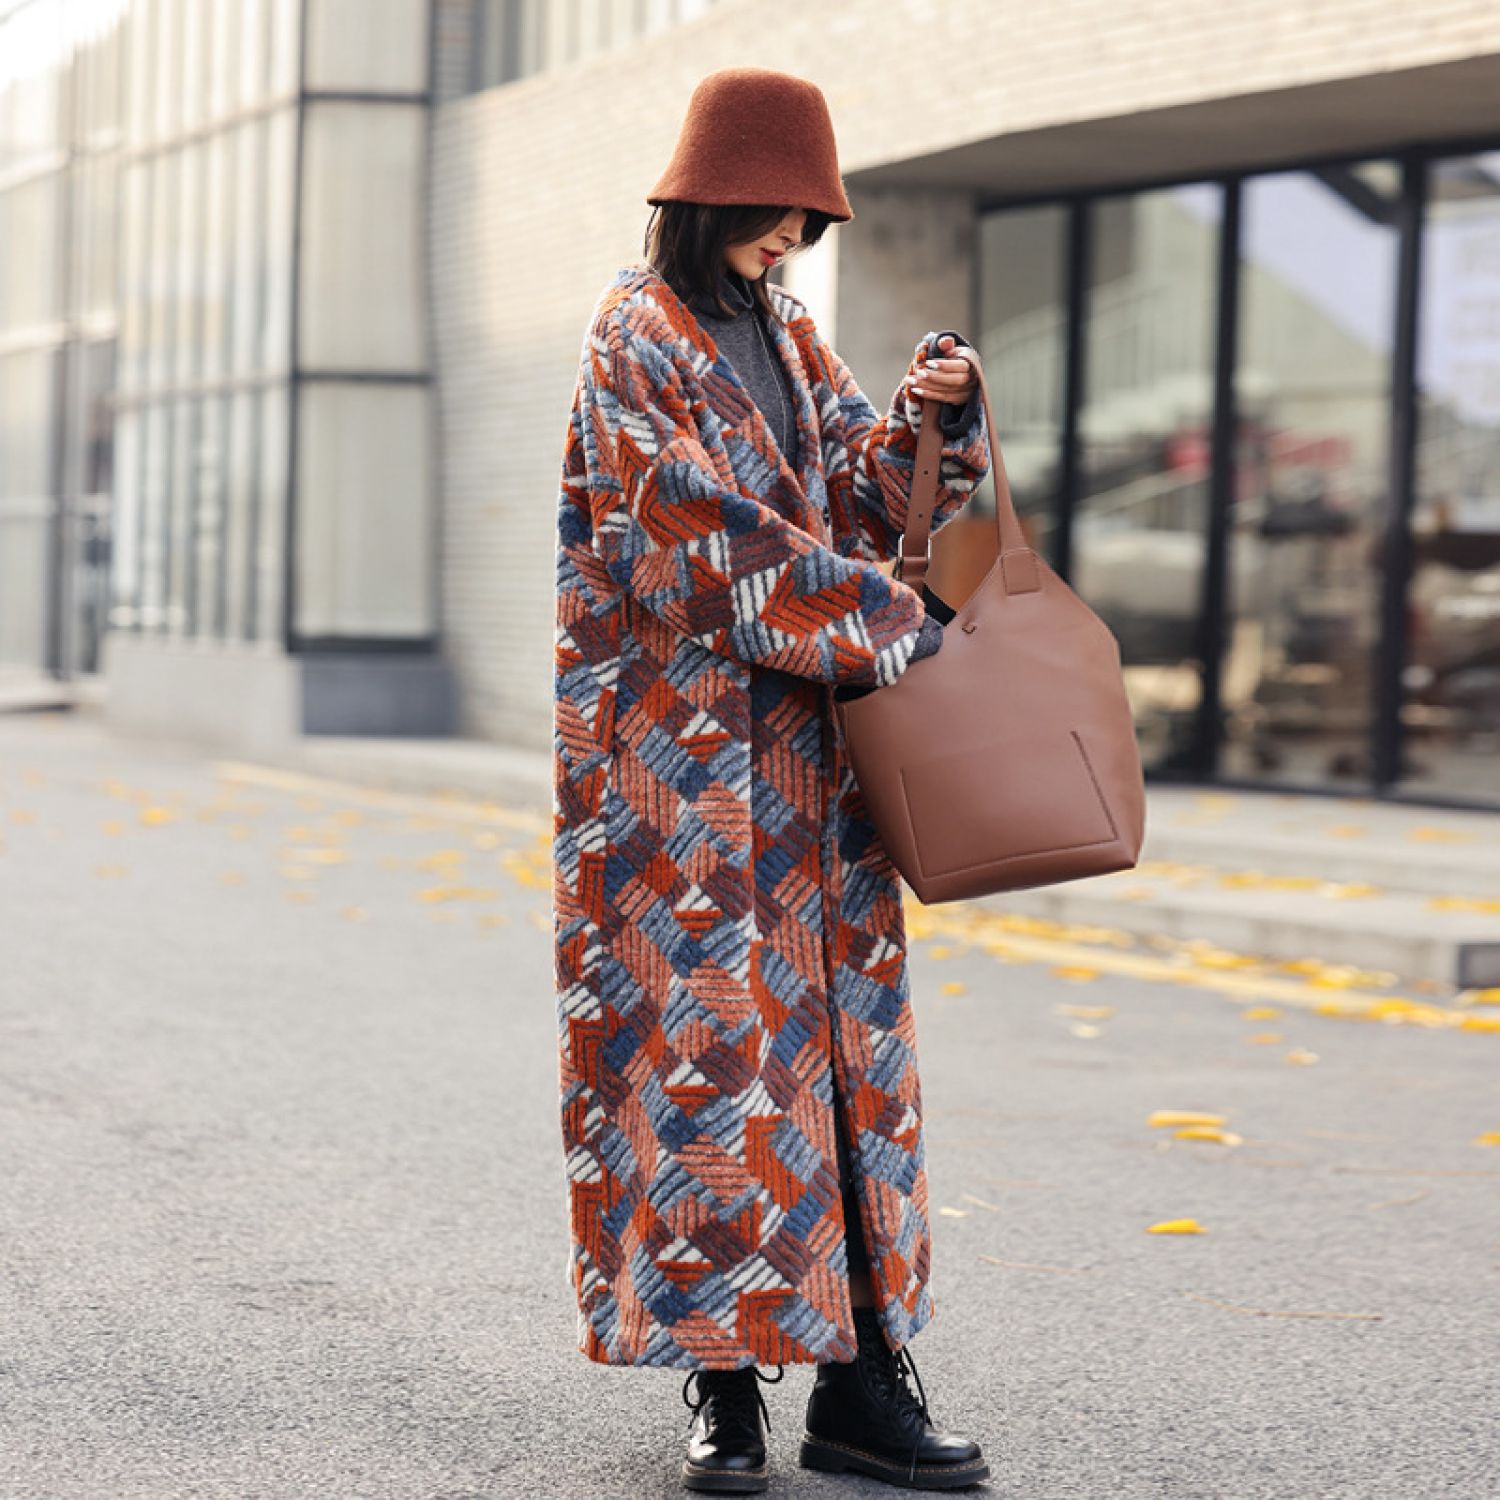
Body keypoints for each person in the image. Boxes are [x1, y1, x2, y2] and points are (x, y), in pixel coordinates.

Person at [552, 65, 992, 1493]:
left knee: (846, 1067)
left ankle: (861, 1384)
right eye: (776, 209)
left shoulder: (790, 333)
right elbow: (687, 539)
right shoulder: (634, 333)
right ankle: (724, 1387)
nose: (794, 236)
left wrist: (932, 417)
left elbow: (860, 488)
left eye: (811, 217)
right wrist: (887, 623)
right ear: (710, 194)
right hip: (676, 783)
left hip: (816, 764)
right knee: (706, 1071)